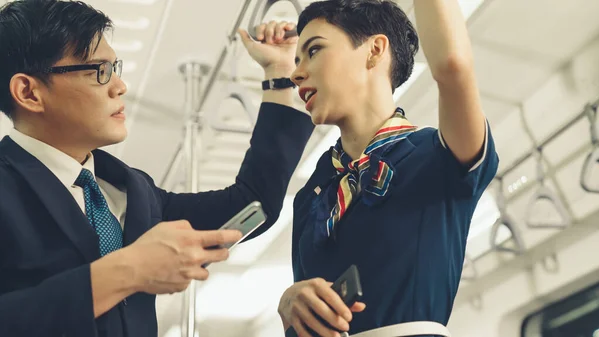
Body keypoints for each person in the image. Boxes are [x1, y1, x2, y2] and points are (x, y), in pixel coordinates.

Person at [0, 1, 314, 337]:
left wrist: (279, 76)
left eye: (114, 68)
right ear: (29, 92)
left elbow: (252, 205)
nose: (119, 86)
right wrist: (128, 270)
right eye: (99, 71)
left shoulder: (132, 191)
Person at [238, 0, 499, 336]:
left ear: (375, 50)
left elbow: (452, 67)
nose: (296, 72)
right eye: (297, 59)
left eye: (314, 50)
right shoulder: (312, 195)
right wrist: (290, 301)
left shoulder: (439, 156)